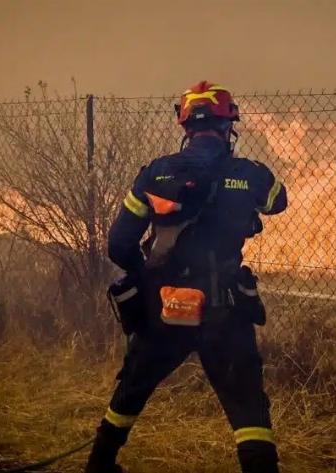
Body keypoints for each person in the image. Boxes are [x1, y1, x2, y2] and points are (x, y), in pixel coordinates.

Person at [86, 81, 288, 473]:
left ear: (185, 127)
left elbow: (118, 244)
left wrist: (146, 281)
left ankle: (99, 465)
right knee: (248, 409)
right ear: (228, 125)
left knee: (132, 388)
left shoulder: (155, 175)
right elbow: (277, 202)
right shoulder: (251, 174)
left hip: (165, 308)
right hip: (223, 311)